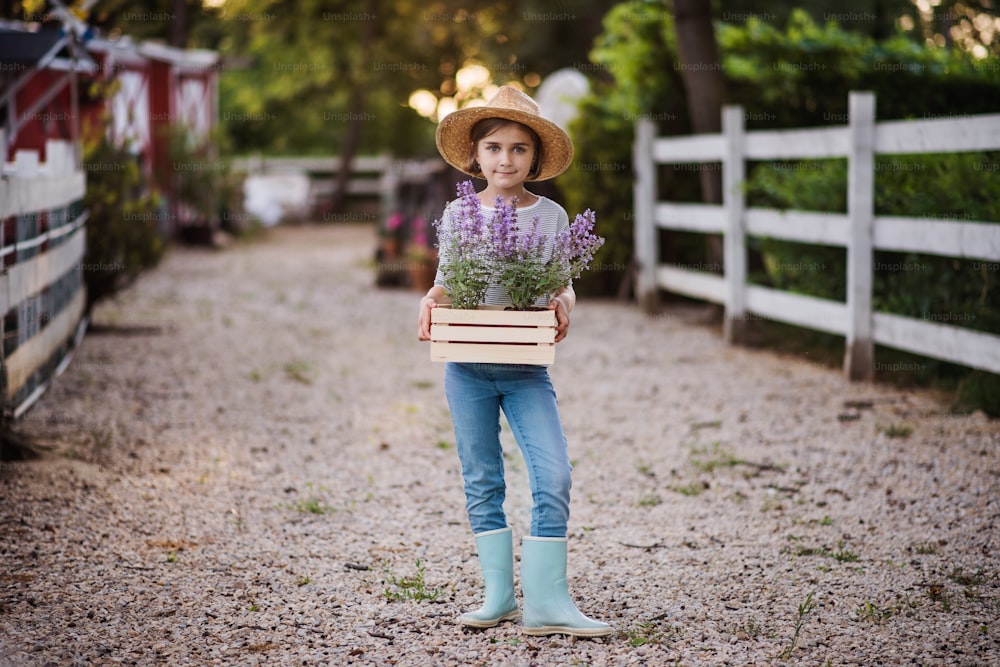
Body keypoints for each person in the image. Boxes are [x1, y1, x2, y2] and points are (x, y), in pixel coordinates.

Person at [416, 86, 612, 638]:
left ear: (536, 159)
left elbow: (561, 284)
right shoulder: (459, 213)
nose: (506, 159)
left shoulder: (550, 215)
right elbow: (448, 284)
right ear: (475, 156)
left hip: (526, 366)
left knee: (553, 475)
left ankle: (548, 603)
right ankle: (497, 595)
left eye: (519, 149)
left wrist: (562, 304)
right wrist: (430, 302)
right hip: (468, 367)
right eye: (495, 147)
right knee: (482, 479)